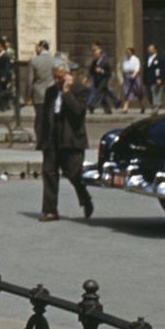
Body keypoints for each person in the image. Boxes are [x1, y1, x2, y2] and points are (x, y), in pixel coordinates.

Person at [37, 61, 94, 221]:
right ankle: (50, 210)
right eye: (54, 77)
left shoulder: (80, 90)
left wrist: (67, 92)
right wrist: (42, 140)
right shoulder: (50, 91)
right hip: (53, 138)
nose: (56, 81)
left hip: (71, 139)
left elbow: (78, 112)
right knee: (49, 172)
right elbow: (45, 117)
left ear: (68, 75)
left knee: (73, 173)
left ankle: (85, 198)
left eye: (60, 77)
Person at [24, 40, 54, 132]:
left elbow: (29, 80)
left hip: (39, 94)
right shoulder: (54, 60)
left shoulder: (34, 60)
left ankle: (40, 140)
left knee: (40, 118)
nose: (35, 49)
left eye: (36, 47)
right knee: (50, 117)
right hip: (52, 92)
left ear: (41, 47)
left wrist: (28, 97)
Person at [85, 42, 118, 113]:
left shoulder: (105, 61)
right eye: (93, 52)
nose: (94, 53)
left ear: (100, 52)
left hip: (104, 79)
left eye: (95, 51)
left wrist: (102, 71)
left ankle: (91, 106)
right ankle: (109, 109)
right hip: (97, 79)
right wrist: (86, 78)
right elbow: (91, 70)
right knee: (103, 94)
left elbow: (109, 72)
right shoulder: (95, 60)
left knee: (98, 92)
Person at [119, 46, 145, 113]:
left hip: (134, 76)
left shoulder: (136, 59)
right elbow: (123, 68)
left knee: (137, 92)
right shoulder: (125, 60)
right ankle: (125, 108)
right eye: (126, 52)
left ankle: (142, 106)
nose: (127, 53)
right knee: (126, 92)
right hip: (127, 77)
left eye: (128, 52)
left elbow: (137, 68)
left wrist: (134, 75)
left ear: (132, 53)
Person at [143, 44, 165, 111]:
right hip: (148, 79)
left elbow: (161, 69)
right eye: (148, 49)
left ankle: (156, 108)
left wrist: (159, 78)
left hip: (156, 79)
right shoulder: (147, 58)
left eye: (150, 49)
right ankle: (156, 105)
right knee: (149, 95)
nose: (149, 50)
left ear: (155, 50)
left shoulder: (159, 58)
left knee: (156, 94)